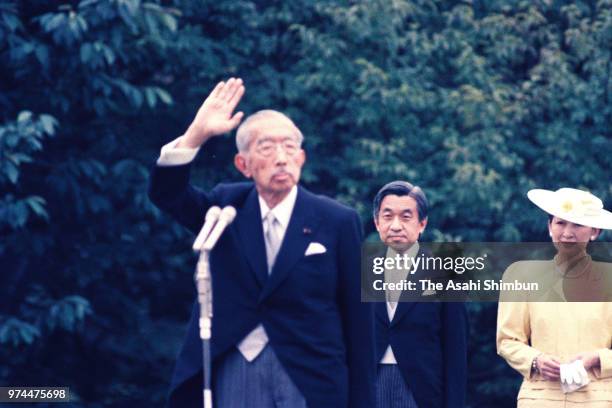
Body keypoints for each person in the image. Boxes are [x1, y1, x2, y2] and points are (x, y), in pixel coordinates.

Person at [148, 78, 375, 407]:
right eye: (267, 148)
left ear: (302, 158)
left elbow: (358, 319)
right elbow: (167, 194)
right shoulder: (227, 208)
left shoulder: (338, 220)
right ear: (244, 165)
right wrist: (195, 135)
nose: (281, 158)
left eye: (289, 148)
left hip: (312, 375)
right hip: (239, 366)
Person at [497, 187, 612, 407]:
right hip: (539, 398)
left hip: (599, 399)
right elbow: (508, 341)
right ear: (550, 227)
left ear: (594, 231)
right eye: (560, 223)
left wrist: (597, 358)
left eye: (577, 224)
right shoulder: (521, 275)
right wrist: (536, 360)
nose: (567, 232)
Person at [371, 181, 468, 408]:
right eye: (387, 217)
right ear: (377, 222)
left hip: (422, 388)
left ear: (422, 223)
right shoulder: (357, 270)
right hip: (369, 383)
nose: (396, 226)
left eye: (406, 217)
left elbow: (456, 351)